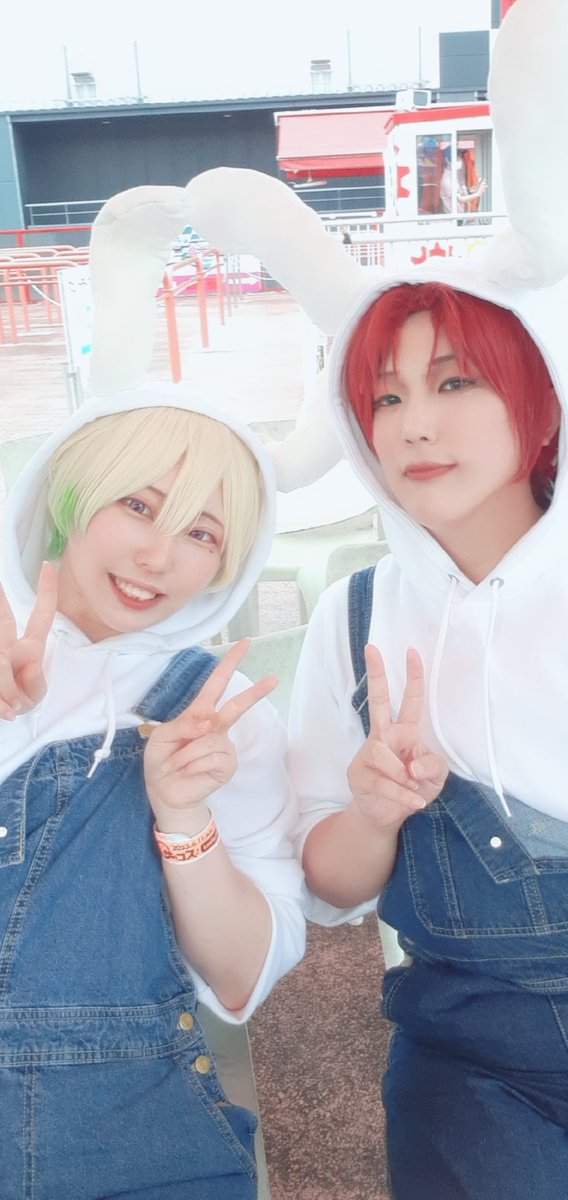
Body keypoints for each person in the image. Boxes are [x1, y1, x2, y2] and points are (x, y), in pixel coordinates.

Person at [288, 266, 568, 1199]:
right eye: (387, 397)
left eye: (455, 382)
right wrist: (373, 814)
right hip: (472, 1056)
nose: (414, 425)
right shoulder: (353, 617)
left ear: (544, 403)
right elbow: (328, 883)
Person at [0, 384, 305, 1200]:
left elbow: (242, 977)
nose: (157, 558)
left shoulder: (219, 716)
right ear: (68, 495)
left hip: (138, 1140)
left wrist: (182, 812)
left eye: (201, 533)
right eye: (138, 505)